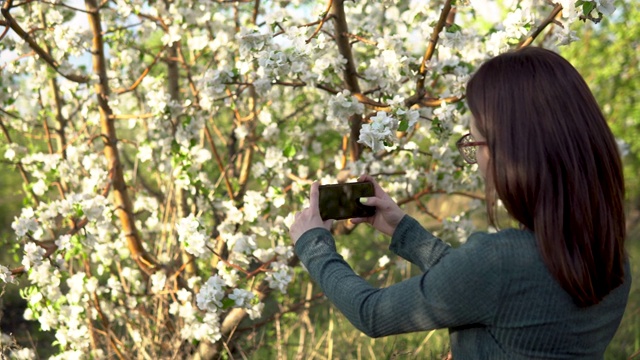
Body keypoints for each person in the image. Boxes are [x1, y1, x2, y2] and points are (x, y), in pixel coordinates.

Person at [289, 47, 631, 359]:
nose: (477, 160)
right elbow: (483, 286)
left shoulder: (501, 261)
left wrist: (314, 245)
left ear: (513, 151)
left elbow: (372, 314)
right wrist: (401, 229)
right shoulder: (609, 258)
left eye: (474, 142)